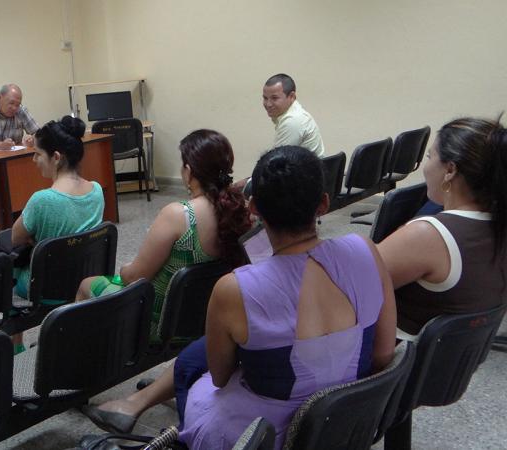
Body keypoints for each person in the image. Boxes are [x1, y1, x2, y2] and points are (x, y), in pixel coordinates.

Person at [84, 147, 396, 450]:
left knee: (195, 371)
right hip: (349, 419)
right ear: (324, 204)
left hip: (262, 436)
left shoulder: (235, 288)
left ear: (254, 208)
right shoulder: (365, 251)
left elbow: (220, 376)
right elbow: (383, 355)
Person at [77, 129, 251, 337]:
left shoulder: (178, 215)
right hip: (207, 319)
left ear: (188, 171)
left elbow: (134, 277)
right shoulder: (239, 212)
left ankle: (94, 358)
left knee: (86, 285)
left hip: (158, 323)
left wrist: (124, 269)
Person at [377, 116, 507, 338]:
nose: (426, 167)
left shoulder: (428, 234)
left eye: (430, 157)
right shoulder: (498, 225)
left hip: (391, 366)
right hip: (447, 369)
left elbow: (344, 289)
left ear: (450, 170)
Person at [6, 116, 103, 353]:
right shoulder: (97, 190)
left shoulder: (43, 200)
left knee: (3, 274)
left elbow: (13, 239)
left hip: (46, 287)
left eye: (38, 154)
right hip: (83, 278)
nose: (33, 159)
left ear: (56, 158)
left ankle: (16, 349)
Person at [263, 73, 325, 156]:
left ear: (291, 96)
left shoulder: (292, 120)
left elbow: (277, 164)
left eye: (274, 98)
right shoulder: (296, 113)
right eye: (265, 98)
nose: (268, 104)